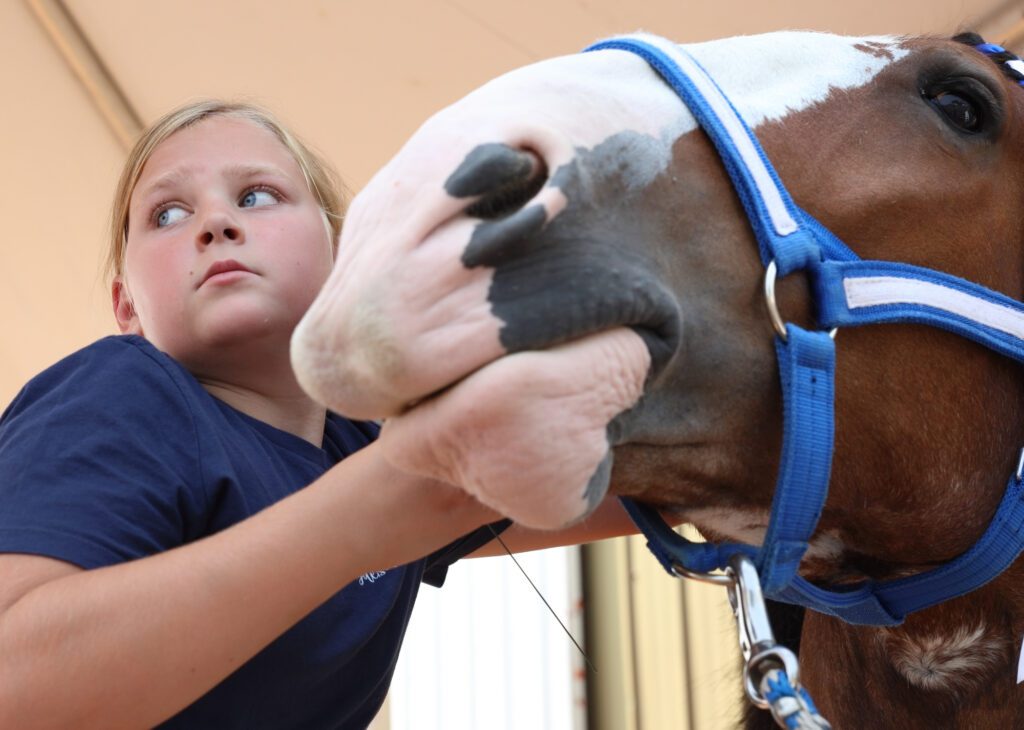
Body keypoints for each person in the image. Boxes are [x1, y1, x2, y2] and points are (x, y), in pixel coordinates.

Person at [0, 100, 637, 729]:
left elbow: (640, 481)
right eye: (168, 213)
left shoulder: (363, 442)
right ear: (127, 307)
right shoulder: (122, 391)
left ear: (342, 253)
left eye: (256, 196)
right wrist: (370, 510)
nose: (216, 222)